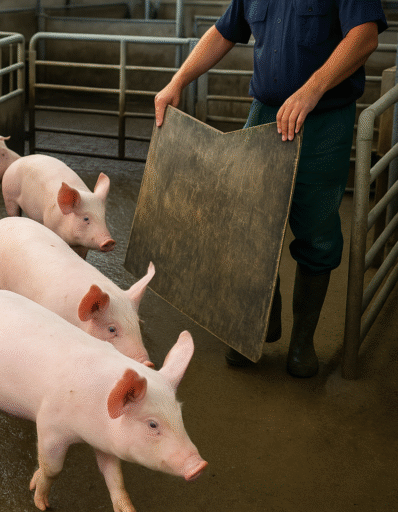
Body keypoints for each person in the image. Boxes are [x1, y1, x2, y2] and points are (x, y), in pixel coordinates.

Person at [154, 1, 387, 377]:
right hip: (265, 112)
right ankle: (259, 321)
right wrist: (177, 80)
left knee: (317, 233)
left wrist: (311, 89)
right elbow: (223, 32)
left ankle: (302, 342)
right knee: (246, 224)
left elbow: (364, 36)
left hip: (324, 120)